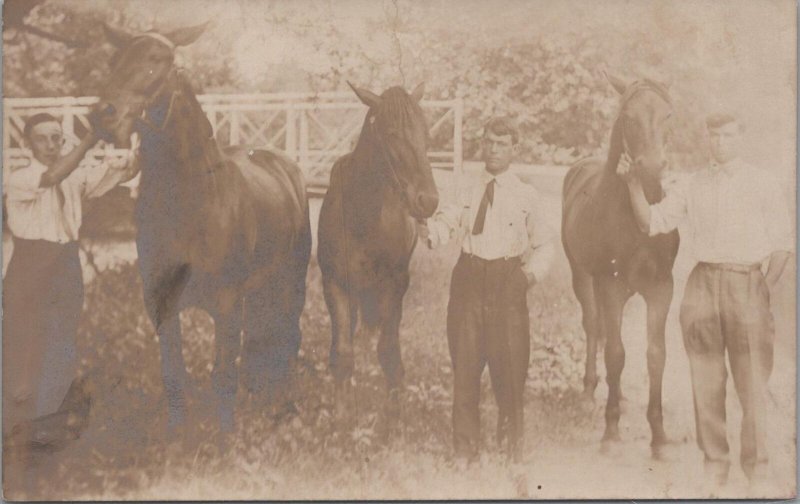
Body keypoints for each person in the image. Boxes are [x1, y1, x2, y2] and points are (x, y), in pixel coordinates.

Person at [618, 112, 792, 492]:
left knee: (752, 384)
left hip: (747, 283)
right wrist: (633, 185)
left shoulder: (763, 183)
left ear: (741, 138)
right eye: (714, 136)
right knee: (706, 383)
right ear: (707, 139)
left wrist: (762, 288)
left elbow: (781, 246)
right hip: (702, 285)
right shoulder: (692, 185)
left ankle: (758, 471)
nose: (721, 143)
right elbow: (652, 222)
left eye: (728, 136)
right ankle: (715, 468)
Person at [419, 116, 555, 462]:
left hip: (508, 283)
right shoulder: (466, 188)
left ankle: (510, 452)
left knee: (509, 371)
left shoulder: (526, 194)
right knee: (465, 369)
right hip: (468, 282)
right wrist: (428, 230)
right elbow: (447, 220)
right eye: (488, 142)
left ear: (514, 149)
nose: (493, 150)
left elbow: (545, 246)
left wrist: (527, 278)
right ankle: (465, 452)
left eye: (501, 143)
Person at [2, 112, 139, 441]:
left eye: (56, 139)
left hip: (65, 265)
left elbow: (121, 172)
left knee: (61, 343)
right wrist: (91, 138)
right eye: (42, 139)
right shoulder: (19, 179)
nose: (51, 146)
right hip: (29, 266)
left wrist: (138, 135)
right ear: (27, 144)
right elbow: (51, 176)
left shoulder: (73, 178)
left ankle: (47, 422)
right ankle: (13, 424)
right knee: (23, 344)